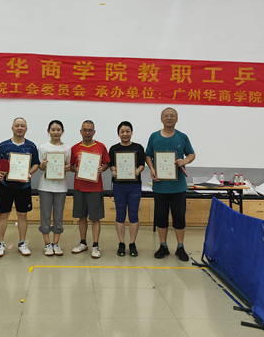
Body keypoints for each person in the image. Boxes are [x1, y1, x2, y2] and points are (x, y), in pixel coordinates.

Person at [145, 107, 195, 262]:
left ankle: (180, 247)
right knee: (161, 217)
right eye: (166, 116)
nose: (169, 118)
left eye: (172, 116)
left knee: (179, 217)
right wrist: (152, 169)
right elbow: (148, 155)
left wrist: (184, 161)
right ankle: (163, 245)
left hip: (178, 186)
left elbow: (191, 154)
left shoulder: (182, 137)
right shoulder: (154, 136)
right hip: (160, 186)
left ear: (177, 119)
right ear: (161, 119)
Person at [0, 117, 40, 257]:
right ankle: (0, 243)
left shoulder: (31, 146)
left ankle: (22, 243)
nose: (20, 128)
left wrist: (29, 173)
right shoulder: (3, 146)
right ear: (12, 128)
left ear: (26, 129)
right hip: (6, 185)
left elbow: (36, 163)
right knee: (3, 215)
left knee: (23, 215)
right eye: (17, 125)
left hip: (24, 186)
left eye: (22, 126)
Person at [70, 120, 110, 258]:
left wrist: (102, 169)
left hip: (95, 188)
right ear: (81, 131)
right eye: (85, 130)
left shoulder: (101, 147)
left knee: (95, 218)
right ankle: (82, 243)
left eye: (90, 130)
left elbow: (106, 163)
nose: (87, 132)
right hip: (79, 187)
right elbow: (71, 166)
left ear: (94, 132)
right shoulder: (75, 148)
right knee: (81, 216)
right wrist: (77, 169)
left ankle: (95, 245)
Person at [109, 121, 145, 257]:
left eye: (127, 131)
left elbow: (142, 164)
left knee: (134, 215)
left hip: (134, 185)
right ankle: (121, 243)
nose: (125, 134)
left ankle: (132, 243)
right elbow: (112, 165)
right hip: (119, 186)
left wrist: (137, 171)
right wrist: (114, 170)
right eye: (122, 131)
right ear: (118, 133)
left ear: (132, 132)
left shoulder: (138, 147)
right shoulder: (114, 148)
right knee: (120, 215)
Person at [37, 120, 71, 256]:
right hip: (45, 186)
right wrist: (42, 165)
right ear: (48, 131)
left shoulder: (67, 148)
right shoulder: (42, 147)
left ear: (62, 131)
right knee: (45, 216)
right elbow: (40, 167)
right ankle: (47, 244)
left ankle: (56, 243)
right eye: (53, 129)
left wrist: (67, 168)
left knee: (58, 216)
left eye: (58, 130)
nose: (55, 132)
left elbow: (68, 165)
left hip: (61, 187)